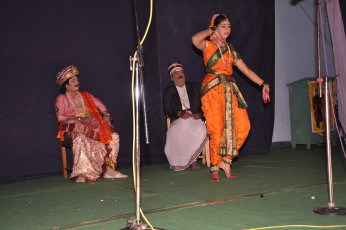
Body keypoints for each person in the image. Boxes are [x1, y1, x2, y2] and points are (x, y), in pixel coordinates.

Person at [192, 14, 270, 181]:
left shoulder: (231, 50)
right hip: (212, 91)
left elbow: (247, 71)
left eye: (229, 26)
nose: (227, 29)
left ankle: (226, 161)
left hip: (230, 90)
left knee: (244, 126)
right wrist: (209, 30)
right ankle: (214, 168)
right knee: (216, 129)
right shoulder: (208, 45)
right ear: (215, 27)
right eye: (223, 26)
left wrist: (263, 84)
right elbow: (194, 40)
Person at [55, 65, 128, 182]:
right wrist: (77, 120)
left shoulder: (85, 95)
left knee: (114, 136)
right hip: (75, 127)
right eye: (73, 80)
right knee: (81, 138)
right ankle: (81, 174)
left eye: (77, 79)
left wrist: (106, 114)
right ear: (66, 85)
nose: (77, 82)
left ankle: (109, 170)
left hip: (94, 124)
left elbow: (99, 104)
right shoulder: (61, 99)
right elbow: (60, 117)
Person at [163, 61, 208, 170]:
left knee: (200, 129)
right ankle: (184, 161)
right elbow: (166, 109)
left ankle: (193, 160)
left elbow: (204, 103)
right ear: (171, 78)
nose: (180, 74)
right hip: (179, 118)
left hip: (194, 116)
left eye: (181, 72)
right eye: (176, 73)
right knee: (175, 131)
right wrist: (180, 113)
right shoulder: (168, 91)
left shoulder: (194, 86)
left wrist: (201, 114)